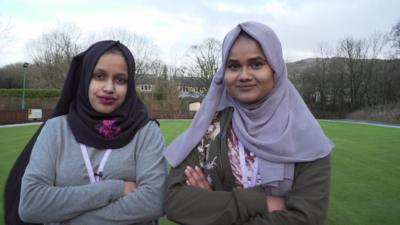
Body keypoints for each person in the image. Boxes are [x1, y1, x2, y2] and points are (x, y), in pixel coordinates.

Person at [164, 21, 334, 225]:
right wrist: (259, 203)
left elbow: (307, 218)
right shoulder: (209, 129)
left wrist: (213, 209)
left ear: (275, 69)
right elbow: (174, 201)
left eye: (256, 64)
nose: (244, 75)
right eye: (233, 66)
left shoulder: (306, 137)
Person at [4, 40, 167, 225]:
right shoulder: (56, 130)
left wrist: (67, 219)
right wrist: (116, 188)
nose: (109, 88)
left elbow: (154, 201)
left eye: (120, 80)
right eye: (99, 76)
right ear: (84, 78)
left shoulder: (146, 132)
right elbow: (31, 204)